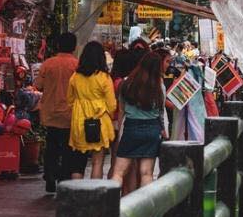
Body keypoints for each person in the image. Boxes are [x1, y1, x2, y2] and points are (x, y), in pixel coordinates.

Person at [111, 52, 167, 189]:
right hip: (152, 130)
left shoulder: (126, 84)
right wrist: (163, 129)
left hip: (131, 128)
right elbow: (161, 112)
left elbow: (122, 112)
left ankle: (110, 205)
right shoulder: (160, 87)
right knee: (146, 173)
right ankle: (145, 207)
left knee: (118, 172)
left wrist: (120, 135)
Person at [34, 32, 79, 193]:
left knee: (51, 146)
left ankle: (50, 175)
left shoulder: (48, 64)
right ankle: (63, 178)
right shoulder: (77, 65)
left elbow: (38, 85)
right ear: (74, 47)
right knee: (68, 147)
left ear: (58, 45)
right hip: (70, 114)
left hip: (50, 112)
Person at [67, 41, 117, 179]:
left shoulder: (75, 77)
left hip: (79, 121)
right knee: (97, 162)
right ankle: (95, 196)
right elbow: (112, 105)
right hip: (99, 122)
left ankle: (76, 196)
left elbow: (69, 100)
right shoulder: (104, 78)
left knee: (77, 161)